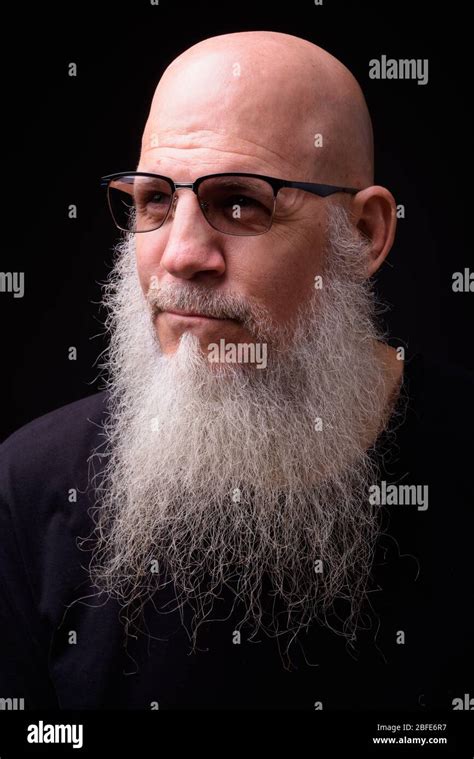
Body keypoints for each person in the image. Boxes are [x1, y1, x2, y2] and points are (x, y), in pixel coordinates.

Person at [0, 31, 472, 711]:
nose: (182, 255)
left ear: (365, 233)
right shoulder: (30, 487)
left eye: (241, 203)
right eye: (156, 200)